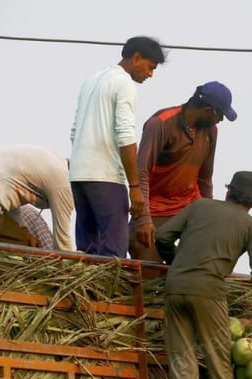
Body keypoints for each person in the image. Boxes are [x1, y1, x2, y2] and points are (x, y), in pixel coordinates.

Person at [155, 171, 252, 379]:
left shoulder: (199, 206)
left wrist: (177, 263)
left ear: (228, 191)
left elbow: (162, 236)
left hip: (175, 287)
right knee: (220, 368)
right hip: (210, 292)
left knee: (183, 366)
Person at [69, 35, 166, 257]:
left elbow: (75, 131)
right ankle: (105, 292)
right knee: (113, 254)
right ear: (137, 57)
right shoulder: (124, 84)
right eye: (150, 67)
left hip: (79, 175)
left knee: (87, 251)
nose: (150, 74)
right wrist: (134, 186)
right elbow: (125, 135)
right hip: (106, 177)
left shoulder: (92, 79)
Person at [130, 81, 238, 261]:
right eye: (220, 115)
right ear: (209, 111)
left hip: (189, 206)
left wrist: (207, 217)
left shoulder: (211, 131)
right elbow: (142, 173)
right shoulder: (160, 124)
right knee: (146, 263)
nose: (220, 120)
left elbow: (205, 178)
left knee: (201, 261)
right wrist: (143, 219)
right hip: (155, 209)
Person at [0, 144, 73, 250]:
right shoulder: (63, 181)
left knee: (23, 245)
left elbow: (9, 191)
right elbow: (62, 243)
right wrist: (68, 269)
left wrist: (24, 230)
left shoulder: (54, 161)